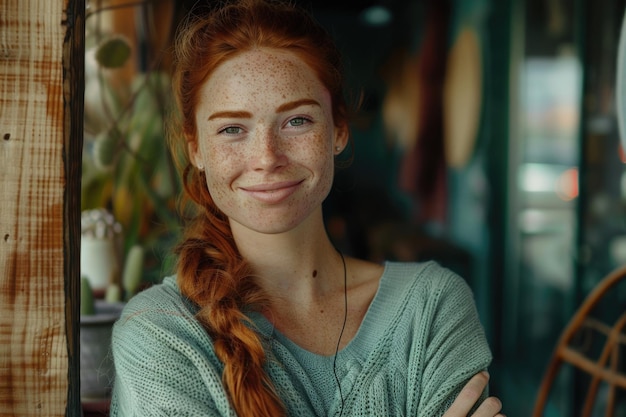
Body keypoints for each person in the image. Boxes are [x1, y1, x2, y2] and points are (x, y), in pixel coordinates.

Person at [110, 0, 504, 416]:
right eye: (232, 129)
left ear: (338, 131)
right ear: (196, 149)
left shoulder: (432, 306)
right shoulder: (160, 332)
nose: (267, 157)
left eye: (296, 121)